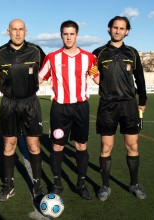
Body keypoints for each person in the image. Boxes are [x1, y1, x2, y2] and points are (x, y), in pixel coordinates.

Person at [38, 20, 100, 200]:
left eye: (72, 33)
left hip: (81, 108)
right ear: (61, 35)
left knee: (81, 145)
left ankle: (81, 183)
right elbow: (39, 78)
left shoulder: (90, 58)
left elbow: (98, 79)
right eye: (65, 33)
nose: (68, 37)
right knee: (57, 145)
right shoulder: (51, 57)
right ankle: (57, 183)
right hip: (59, 109)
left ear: (77, 35)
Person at [92, 16, 147, 201]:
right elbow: (93, 74)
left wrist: (143, 100)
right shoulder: (98, 53)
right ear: (109, 29)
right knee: (106, 147)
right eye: (115, 27)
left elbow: (140, 78)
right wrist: (95, 77)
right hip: (107, 106)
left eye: (121, 28)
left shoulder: (132, 52)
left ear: (127, 31)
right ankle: (105, 186)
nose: (117, 31)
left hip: (129, 105)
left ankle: (134, 184)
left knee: (132, 145)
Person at [0, 19, 46, 202]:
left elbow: (48, 69)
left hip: (30, 103)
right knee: (9, 146)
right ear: (8, 31)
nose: (17, 33)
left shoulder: (36, 51)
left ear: (26, 31)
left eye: (20, 29)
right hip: (9, 104)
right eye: (14, 29)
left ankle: (37, 187)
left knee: (33, 145)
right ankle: (9, 186)